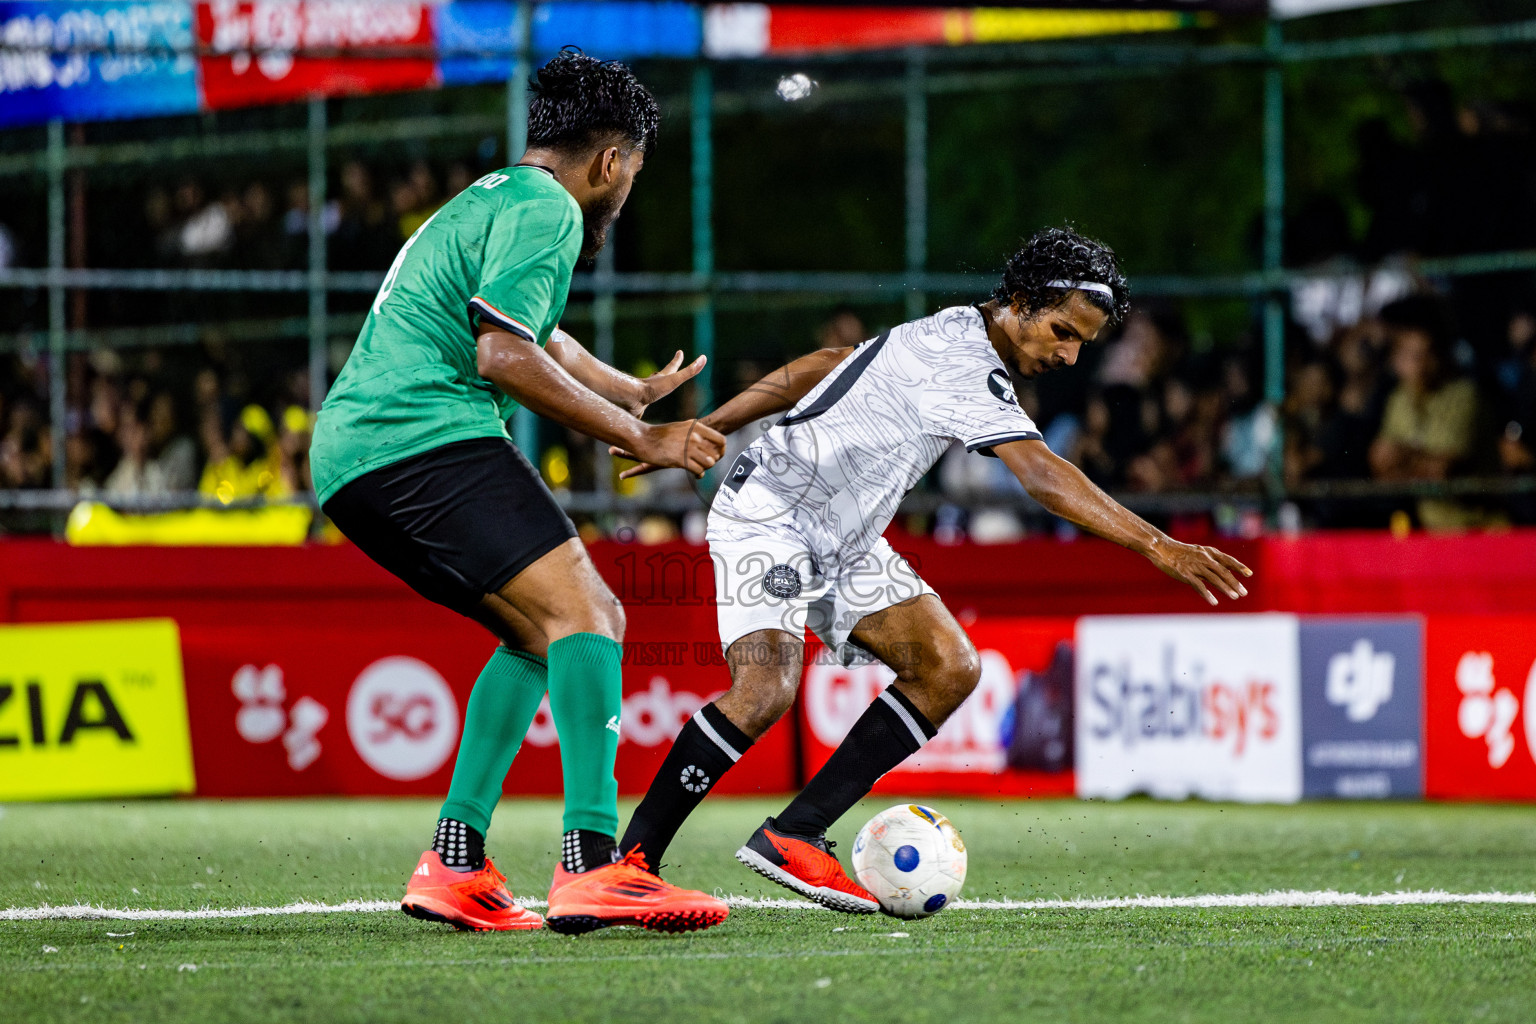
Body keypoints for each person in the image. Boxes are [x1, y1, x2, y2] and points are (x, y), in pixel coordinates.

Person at [612, 227, 1253, 911]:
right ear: (1021, 301)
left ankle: (794, 834)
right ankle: (629, 863)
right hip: (773, 511)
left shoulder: (953, 328)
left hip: (845, 539)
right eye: (1063, 332)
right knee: (766, 687)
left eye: (1082, 344)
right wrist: (1158, 545)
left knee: (948, 665)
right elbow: (1041, 474)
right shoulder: (966, 362)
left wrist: (710, 425)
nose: (1069, 355)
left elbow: (829, 362)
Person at [308, 50, 728, 935]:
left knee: (537, 636)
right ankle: (594, 862)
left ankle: (454, 861)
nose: (627, 192)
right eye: (634, 173)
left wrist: (626, 391)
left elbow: (539, 334)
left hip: (356, 456)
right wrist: (643, 437)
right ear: (610, 162)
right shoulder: (551, 211)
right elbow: (503, 355)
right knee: (592, 615)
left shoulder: (492, 198)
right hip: (422, 436)